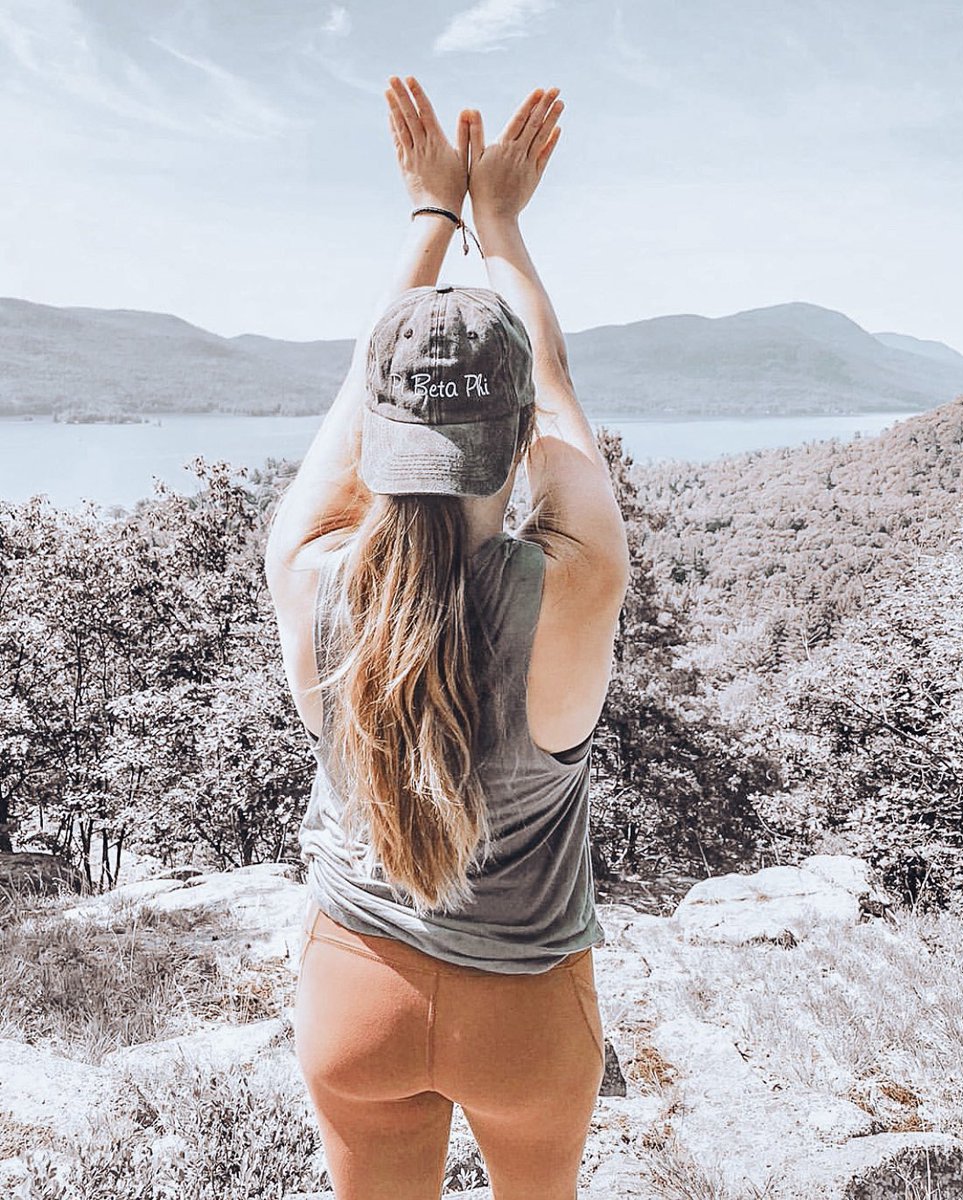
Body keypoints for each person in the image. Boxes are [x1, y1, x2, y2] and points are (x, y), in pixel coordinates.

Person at [264, 74, 630, 1200]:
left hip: (354, 995)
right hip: (524, 1013)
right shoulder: (571, 595)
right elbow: (562, 400)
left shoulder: (310, 576)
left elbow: (346, 433)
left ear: (378, 432)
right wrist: (503, 227)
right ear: (517, 438)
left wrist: (431, 221)